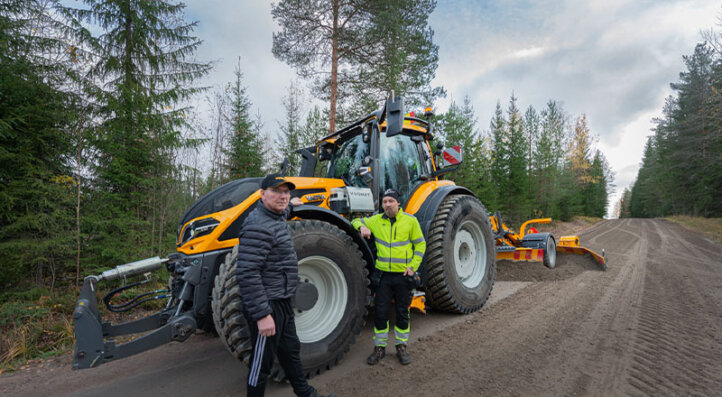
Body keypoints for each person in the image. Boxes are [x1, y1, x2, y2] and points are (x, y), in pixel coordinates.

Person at [236, 173, 330, 397]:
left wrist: (294, 204)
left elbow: (282, 212)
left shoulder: (274, 216)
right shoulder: (257, 226)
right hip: (267, 305)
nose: (283, 196)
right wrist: (262, 315)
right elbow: (247, 273)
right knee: (261, 364)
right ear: (261, 194)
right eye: (276, 191)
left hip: (283, 301)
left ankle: (305, 393)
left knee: (290, 351)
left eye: (286, 192)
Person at [352, 188, 426, 366]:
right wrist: (362, 226)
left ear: (398, 203)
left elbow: (420, 245)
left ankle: (401, 346)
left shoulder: (410, 221)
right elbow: (354, 220)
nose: (387, 205)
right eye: (384, 202)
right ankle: (379, 348)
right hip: (383, 276)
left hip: (403, 276)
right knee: (381, 312)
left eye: (390, 201)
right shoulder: (376, 220)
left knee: (402, 312)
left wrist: (412, 267)